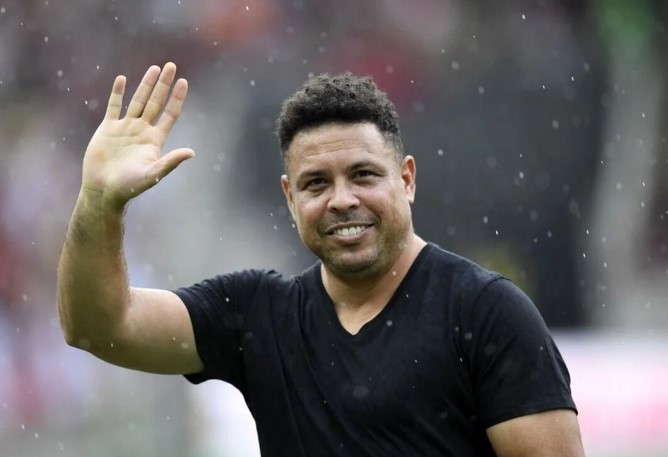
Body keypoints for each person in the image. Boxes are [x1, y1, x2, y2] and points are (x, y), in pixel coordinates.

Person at [57, 62, 585, 456]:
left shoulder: (486, 314)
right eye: (316, 183)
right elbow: (99, 326)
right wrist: (99, 202)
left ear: (406, 179)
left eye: (363, 174)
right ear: (290, 198)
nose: (341, 200)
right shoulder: (258, 315)